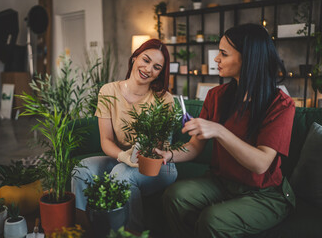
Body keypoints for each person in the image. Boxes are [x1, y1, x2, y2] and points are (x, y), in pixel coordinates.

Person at [155, 23, 296, 238]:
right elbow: (194, 146)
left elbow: (260, 164)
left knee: (213, 220)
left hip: (263, 194)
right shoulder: (216, 95)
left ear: (248, 58)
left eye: (223, 53)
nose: (216, 59)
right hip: (222, 182)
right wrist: (169, 155)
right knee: (175, 195)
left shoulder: (281, 104)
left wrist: (219, 131)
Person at [71, 39, 177, 232]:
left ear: (160, 73)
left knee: (121, 175)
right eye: (145, 60)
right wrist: (123, 156)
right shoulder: (108, 91)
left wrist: (138, 153)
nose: (148, 69)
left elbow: (162, 148)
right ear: (135, 57)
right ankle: (82, 226)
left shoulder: (164, 99)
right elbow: (106, 140)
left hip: (158, 165)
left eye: (156, 67)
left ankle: (132, 232)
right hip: (124, 158)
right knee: (82, 169)